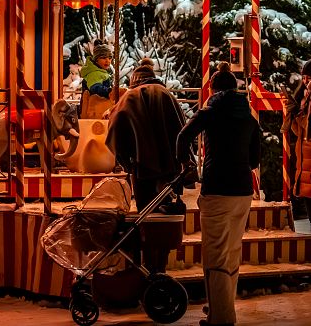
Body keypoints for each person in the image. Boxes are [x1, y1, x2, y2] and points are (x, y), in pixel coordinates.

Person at [176, 62, 261, 326]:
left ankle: (221, 317)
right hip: (243, 192)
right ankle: (219, 307)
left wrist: (185, 164)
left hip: (217, 190)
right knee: (231, 252)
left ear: (212, 88)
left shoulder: (209, 112)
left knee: (214, 254)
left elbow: (183, 136)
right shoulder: (248, 117)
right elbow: (255, 159)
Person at [106, 58, 187, 273]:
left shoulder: (129, 97)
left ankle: (146, 266)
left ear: (134, 79)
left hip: (141, 169)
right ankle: (160, 266)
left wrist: (126, 161)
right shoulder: (167, 95)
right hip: (169, 169)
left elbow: (114, 131)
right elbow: (182, 129)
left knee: (145, 215)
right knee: (164, 215)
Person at [281, 59, 311, 224]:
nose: (306, 82)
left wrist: (299, 115)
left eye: (309, 78)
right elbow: (300, 131)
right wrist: (293, 115)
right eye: (304, 77)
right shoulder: (304, 98)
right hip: (305, 163)